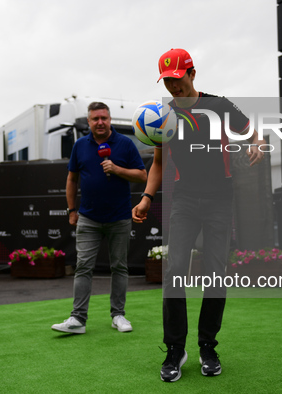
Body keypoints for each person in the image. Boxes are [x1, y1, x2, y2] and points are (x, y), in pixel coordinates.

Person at [132, 48, 265, 382]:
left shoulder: (219, 106)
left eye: (177, 79)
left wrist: (257, 144)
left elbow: (254, 132)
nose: (173, 87)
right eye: (167, 82)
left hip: (220, 199)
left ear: (192, 73)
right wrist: (147, 197)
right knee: (175, 269)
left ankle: (207, 345)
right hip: (186, 201)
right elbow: (159, 163)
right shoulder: (165, 115)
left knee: (215, 273)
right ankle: (175, 350)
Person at [52, 101, 147, 334]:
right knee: (83, 266)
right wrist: (71, 210)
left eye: (104, 118)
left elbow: (142, 175)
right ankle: (78, 320)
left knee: (119, 267)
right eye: (95, 119)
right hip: (88, 218)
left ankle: (118, 316)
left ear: (110, 119)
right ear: (89, 121)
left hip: (120, 217)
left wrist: (117, 169)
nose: (100, 122)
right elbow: (72, 179)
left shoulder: (125, 144)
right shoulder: (80, 146)